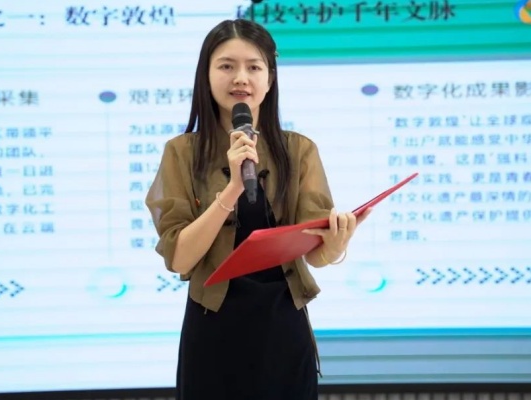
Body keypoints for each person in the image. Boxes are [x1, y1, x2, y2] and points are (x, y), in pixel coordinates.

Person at [145, 18, 371, 400]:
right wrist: (233, 188)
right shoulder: (181, 152)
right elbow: (180, 258)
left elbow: (315, 254)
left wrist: (336, 245)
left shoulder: (299, 150)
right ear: (206, 74)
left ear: (270, 78)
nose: (241, 78)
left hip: (283, 327)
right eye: (226, 66)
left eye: (254, 67)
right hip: (213, 329)